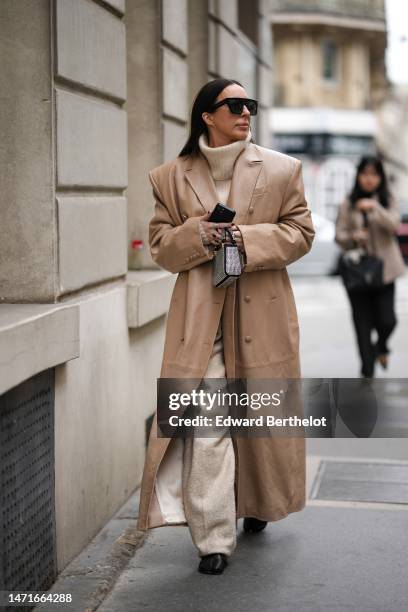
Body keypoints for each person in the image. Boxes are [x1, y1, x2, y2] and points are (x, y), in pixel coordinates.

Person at [137, 78, 315, 575]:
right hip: (201, 321)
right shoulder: (170, 177)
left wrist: (243, 237)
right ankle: (214, 538)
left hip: (263, 313)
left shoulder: (282, 169)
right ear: (206, 116)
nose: (245, 113)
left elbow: (301, 234)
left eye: (249, 105)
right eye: (234, 105)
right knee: (210, 426)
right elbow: (160, 247)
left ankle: (257, 504)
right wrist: (197, 234)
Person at [335, 155, 406, 378]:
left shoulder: (387, 199)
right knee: (362, 325)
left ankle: (381, 347)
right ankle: (367, 372)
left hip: (385, 271)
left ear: (381, 178)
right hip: (357, 273)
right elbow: (339, 236)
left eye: (374, 174)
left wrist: (375, 207)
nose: (369, 179)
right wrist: (354, 237)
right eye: (364, 174)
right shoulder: (348, 202)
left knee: (388, 320)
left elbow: (394, 225)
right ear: (358, 176)